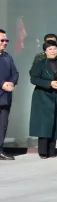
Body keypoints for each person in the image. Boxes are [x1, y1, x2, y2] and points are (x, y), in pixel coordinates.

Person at [28, 42, 57, 158]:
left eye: (55, 49)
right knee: (44, 124)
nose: (53, 51)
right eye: (50, 49)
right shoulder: (40, 63)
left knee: (56, 124)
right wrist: (49, 84)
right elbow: (33, 79)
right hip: (43, 97)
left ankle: (52, 150)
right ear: (45, 51)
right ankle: (43, 151)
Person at [0, 29, 18, 160]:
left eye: (6, 40)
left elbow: (15, 73)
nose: (5, 42)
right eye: (2, 40)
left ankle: (0, 150)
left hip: (5, 98)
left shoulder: (8, 57)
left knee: (3, 125)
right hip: (2, 90)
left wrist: (12, 82)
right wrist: (2, 84)